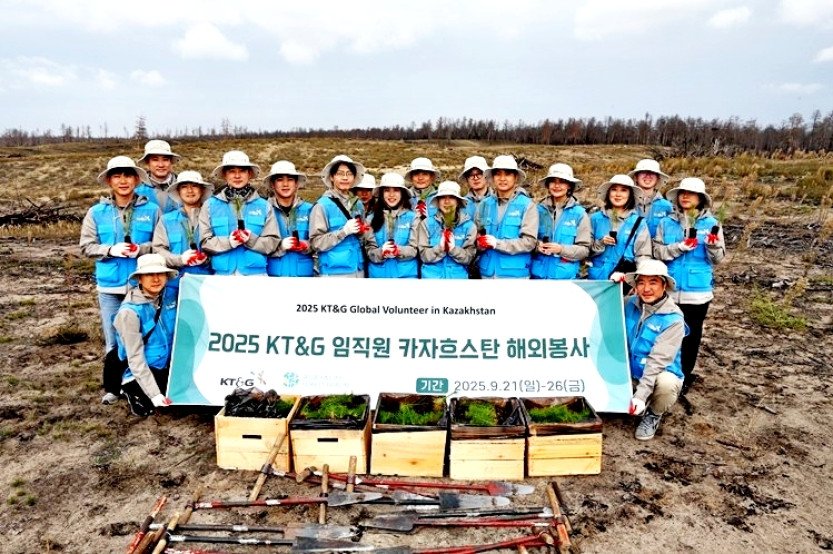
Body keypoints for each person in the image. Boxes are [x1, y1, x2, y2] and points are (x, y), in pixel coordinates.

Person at [80, 156, 161, 367]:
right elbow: (86, 246)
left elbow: (161, 245)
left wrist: (141, 249)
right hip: (110, 288)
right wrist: (110, 250)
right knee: (114, 339)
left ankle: (141, 380)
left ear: (137, 180)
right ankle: (114, 382)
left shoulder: (152, 210)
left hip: (142, 287)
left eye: (128, 176)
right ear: (109, 181)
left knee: (145, 335)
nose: (123, 181)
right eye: (117, 176)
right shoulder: (96, 212)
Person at [653, 177, 726, 394]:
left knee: (691, 337)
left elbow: (718, 259)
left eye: (691, 194)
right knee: (665, 334)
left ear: (700, 199)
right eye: (682, 193)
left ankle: (683, 377)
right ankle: (663, 376)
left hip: (697, 293)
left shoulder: (712, 224)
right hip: (669, 290)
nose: (685, 197)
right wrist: (678, 247)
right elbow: (658, 251)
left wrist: (712, 246)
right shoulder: (666, 223)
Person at [623, 259, 687, 440]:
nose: (646, 289)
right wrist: (612, 284)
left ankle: (653, 414)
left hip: (655, 373)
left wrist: (640, 396)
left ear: (664, 285)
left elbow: (656, 362)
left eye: (653, 282)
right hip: (630, 372)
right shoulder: (628, 304)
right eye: (641, 283)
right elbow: (604, 304)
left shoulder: (674, 320)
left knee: (667, 383)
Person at [114, 253, 179, 417]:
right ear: (140, 279)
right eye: (149, 274)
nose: (156, 279)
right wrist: (154, 394)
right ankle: (130, 388)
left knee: (185, 404)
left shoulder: (170, 296)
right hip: (144, 368)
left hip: (168, 365)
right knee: (160, 408)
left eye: (160, 274)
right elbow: (135, 357)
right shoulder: (129, 312)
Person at [198, 150, 279, 276]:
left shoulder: (264, 206)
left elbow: (272, 243)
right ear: (225, 175)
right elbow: (204, 243)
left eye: (242, 171)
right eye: (232, 171)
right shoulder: (209, 205)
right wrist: (229, 242)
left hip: (256, 276)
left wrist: (250, 240)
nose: (237, 176)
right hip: (222, 277)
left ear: (249, 174)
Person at [475, 155, 538, 279]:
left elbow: (529, 242)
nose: (502, 178)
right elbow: (476, 235)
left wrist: (497, 244)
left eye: (508, 174)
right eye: (498, 174)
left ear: (515, 177)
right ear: (493, 178)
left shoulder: (527, 205)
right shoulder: (484, 204)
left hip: (515, 276)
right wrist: (478, 245)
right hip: (487, 274)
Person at [152, 170, 214, 291]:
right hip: (174, 285)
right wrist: (180, 260)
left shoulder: (212, 217)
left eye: (194, 186)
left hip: (207, 283)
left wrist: (207, 259)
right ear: (178, 192)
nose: (190, 191)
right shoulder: (166, 220)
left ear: (202, 190)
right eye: (184, 187)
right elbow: (158, 251)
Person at [309, 154, 369, 277]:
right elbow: (316, 242)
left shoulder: (358, 204)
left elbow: (363, 239)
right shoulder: (322, 205)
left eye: (349, 174)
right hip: (334, 273)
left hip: (358, 270)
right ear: (332, 177)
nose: (345, 178)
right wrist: (344, 232)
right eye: (340, 173)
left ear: (354, 177)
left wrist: (362, 232)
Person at [587, 174, 651, 287]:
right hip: (596, 281)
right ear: (608, 193)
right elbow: (585, 251)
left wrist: (639, 281)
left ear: (630, 195)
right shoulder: (595, 218)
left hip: (624, 281)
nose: (618, 194)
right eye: (614, 189)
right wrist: (600, 243)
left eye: (624, 190)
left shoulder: (639, 222)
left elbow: (643, 256)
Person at [531, 163, 591, 280]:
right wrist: (538, 246)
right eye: (553, 181)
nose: (557, 185)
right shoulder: (537, 210)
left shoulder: (580, 214)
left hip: (565, 279)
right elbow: (527, 240)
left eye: (562, 182)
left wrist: (561, 249)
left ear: (569, 185)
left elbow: (584, 250)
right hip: (537, 277)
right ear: (548, 185)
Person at [265, 160, 315, 277]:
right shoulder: (264, 210)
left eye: (290, 179)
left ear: (296, 183)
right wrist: (280, 246)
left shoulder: (311, 209)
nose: (285, 184)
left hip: (304, 278)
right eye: (280, 180)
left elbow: (318, 242)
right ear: (272, 184)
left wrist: (306, 246)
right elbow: (258, 245)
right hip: (273, 278)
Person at [418, 181, 477, 279]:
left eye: (452, 197)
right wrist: (440, 248)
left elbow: (469, 258)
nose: (447, 201)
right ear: (438, 201)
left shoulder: (469, 226)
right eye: (443, 197)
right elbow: (423, 256)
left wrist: (453, 249)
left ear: (458, 201)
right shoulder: (426, 224)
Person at [365, 172, 419, 278]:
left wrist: (398, 250)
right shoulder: (370, 219)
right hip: (379, 276)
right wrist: (381, 252)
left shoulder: (413, 217)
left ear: (402, 193)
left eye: (396, 190)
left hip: (405, 277)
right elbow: (369, 251)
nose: (391, 194)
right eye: (387, 190)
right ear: (381, 193)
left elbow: (414, 249)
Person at [629, 159, 673, 237]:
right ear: (636, 177)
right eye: (643, 172)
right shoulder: (626, 203)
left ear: (658, 179)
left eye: (652, 173)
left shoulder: (667, 206)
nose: (648, 176)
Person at [136, 139, 180, 213]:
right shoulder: (136, 192)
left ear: (170, 162)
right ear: (148, 162)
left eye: (165, 159)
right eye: (155, 160)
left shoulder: (184, 187)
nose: (161, 165)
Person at [459, 155, 492, 222]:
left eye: (479, 173)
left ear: (486, 176)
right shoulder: (461, 205)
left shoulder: (499, 201)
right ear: (467, 179)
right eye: (471, 175)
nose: (475, 178)